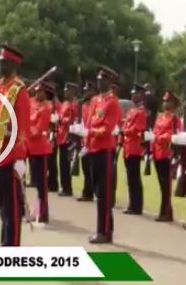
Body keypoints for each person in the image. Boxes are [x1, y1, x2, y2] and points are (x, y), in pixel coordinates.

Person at [71, 65, 121, 243]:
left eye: (103, 79)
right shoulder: (95, 101)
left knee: (104, 193)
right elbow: (90, 122)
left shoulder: (112, 103)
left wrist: (89, 133)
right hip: (93, 149)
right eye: (98, 79)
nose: (99, 82)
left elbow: (107, 128)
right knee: (98, 192)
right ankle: (102, 229)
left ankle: (105, 231)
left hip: (104, 150)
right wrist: (85, 141)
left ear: (109, 82)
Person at [0, 44, 30, 246]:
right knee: (4, 207)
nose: (0, 65)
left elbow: (23, 126)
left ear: (13, 64)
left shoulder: (19, 90)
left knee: (13, 208)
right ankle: (4, 244)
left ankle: (12, 246)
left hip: (11, 156)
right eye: (0, 61)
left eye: (4, 62)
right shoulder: (1, 87)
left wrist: (20, 157)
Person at [146, 91, 183, 222]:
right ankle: (166, 211)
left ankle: (166, 213)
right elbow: (155, 132)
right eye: (164, 101)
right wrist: (151, 147)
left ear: (173, 104)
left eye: (167, 101)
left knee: (166, 185)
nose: (165, 103)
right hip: (157, 153)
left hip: (167, 154)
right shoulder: (161, 117)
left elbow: (175, 135)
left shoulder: (175, 119)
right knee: (162, 185)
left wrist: (159, 138)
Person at [28, 81, 54, 223]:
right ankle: (36, 210)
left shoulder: (46, 109)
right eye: (37, 91)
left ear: (45, 94)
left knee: (41, 184)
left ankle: (43, 213)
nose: (38, 94)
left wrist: (25, 132)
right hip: (31, 148)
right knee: (36, 182)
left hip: (41, 149)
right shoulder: (32, 104)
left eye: (41, 92)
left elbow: (39, 129)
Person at [121, 84, 147, 215]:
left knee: (134, 178)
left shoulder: (141, 111)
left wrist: (124, 130)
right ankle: (132, 203)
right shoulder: (132, 111)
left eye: (135, 93)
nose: (133, 95)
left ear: (141, 95)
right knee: (130, 178)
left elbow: (138, 129)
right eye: (132, 93)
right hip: (127, 147)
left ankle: (136, 206)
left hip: (134, 148)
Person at [56, 82, 79, 197]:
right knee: (62, 163)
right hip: (61, 136)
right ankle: (64, 186)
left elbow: (73, 119)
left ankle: (67, 188)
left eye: (67, 90)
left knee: (66, 164)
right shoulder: (65, 103)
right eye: (65, 90)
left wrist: (62, 120)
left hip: (68, 136)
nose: (65, 92)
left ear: (72, 92)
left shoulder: (74, 104)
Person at [76, 81, 96, 202]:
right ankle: (87, 192)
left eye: (88, 90)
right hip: (84, 140)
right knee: (85, 168)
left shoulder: (95, 105)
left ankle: (91, 191)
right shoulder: (83, 106)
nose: (86, 92)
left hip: (93, 139)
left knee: (92, 169)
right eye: (85, 90)